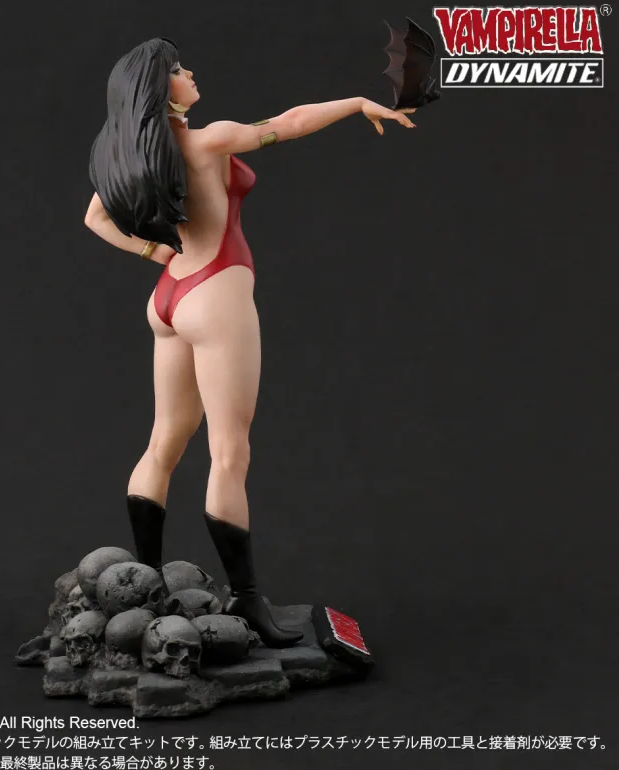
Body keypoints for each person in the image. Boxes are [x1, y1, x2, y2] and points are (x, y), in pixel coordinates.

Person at [85, 37, 415, 647]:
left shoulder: (135, 153)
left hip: (169, 297)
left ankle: (145, 586)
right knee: (229, 453)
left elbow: (95, 217)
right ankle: (246, 598)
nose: (190, 72)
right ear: (160, 89)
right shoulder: (207, 141)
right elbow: (289, 123)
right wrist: (355, 103)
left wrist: (155, 251)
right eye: (178, 69)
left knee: (163, 441)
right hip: (216, 294)